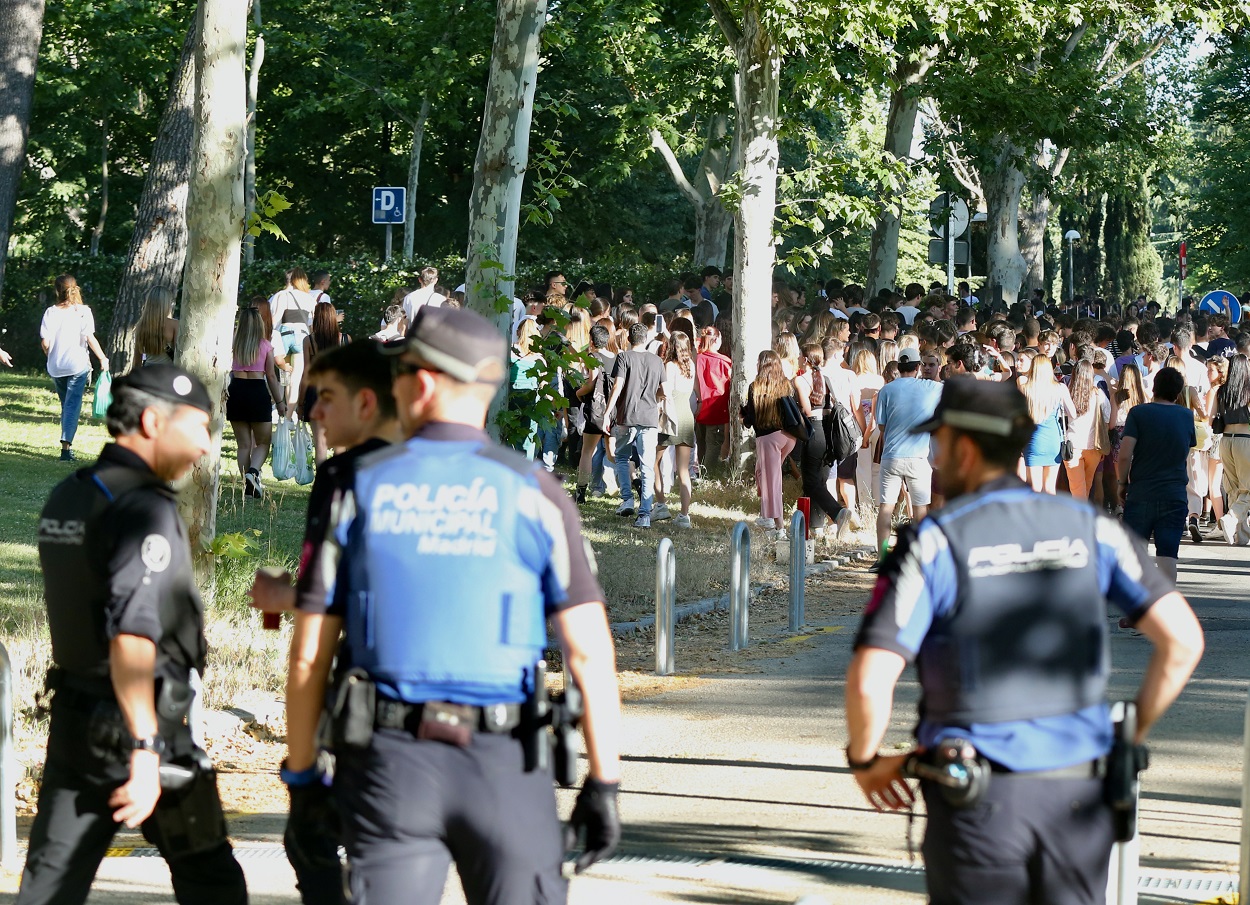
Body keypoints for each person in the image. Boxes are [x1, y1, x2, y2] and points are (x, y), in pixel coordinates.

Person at [281, 306, 622, 905]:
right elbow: (589, 653)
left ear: (426, 381)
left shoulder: (353, 488)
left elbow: (310, 653)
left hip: (390, 765)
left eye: (401, 371)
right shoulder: (538, 493)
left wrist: (304, 778)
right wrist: (605, 780)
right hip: (507, 767)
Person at [844, 377, 1204, 905]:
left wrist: (866, 760)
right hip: (1079, 800)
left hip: (975, 803)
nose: (935, 457)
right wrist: (1127, 736)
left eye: (938, 442)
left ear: (964, 448)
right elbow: (1183, 641)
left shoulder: (932, 542)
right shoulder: (1091, 527)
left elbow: (871, 677)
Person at [18, 364, 248, 905]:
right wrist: (145, 747)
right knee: (211, 882)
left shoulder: (71, 495)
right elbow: (132, 637)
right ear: (151, 421)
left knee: (49, 888)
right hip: (144, 731)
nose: (203, 448)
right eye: (198, 428)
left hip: (76, 727)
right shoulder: (143, 506)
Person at [247, 341, 401, 905]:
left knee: (312, 842)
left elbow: (318, 627)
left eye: (324, 398)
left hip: (371, 712)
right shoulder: (481, 473)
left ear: (367, 401)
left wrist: (302, 770)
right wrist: (293, 593)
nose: (312, 411)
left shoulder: (342, 478)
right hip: (487, 737)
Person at [1118, 367, 1196, 584]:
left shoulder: (1138, 413)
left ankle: (1136, 612)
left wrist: (1121, 483)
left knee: (1135, 555)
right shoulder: (1186, 416)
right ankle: (1166, 609)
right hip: (1174, 493)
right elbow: (1185, 452)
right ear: (1178, 392)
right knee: (1168, 556)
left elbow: (1124, 455)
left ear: (1154, 387)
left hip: (1142, 491)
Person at [871, 348, 942, 554]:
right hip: (918, 457)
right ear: (918, 366)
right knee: (920, 508)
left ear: (899, 366)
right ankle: (919, 553)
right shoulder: (930, 387)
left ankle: (883, 555)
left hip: (891, 455)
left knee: (886, 507)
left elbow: (881, 426)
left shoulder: (886, 390)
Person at [40, 274, 110, 461]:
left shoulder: (50, 312)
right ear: (76, 288)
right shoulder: (83, 311)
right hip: (77, 364)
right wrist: (102, 358)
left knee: (67, 404)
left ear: (57, 290)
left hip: (56, 366)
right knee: (72, 405)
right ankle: (65, 448)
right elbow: (89, 337)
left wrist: (51, 356)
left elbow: (45, 342)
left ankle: (66, 443)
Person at [604, 322, 665, 528]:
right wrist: (653, 398)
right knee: (647, 465)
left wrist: (606, 413)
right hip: (649, 419)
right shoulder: (657, 361)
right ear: (646, 339)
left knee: (621, 457)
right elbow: (664, 391)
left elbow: (618, 386)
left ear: (629, 339)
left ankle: (627, 498)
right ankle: (645, 513)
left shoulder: (624, 357)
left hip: (626, 417)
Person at [794, 342, 852, 540]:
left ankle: (837, 512)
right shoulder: (825, 378)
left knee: (810, 480)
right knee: (821, 480)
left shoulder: (801, 380)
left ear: (806, 359)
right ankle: (815, 525)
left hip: (814, 431)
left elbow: (807, 411)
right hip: (830, 433)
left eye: (801, 356)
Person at [227, 305, 286, 498]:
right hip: (257, 391)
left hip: (236, 391)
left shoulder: (234, 344)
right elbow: (270, 375)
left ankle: (247, 485)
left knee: (243, 445)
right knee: (263, 442)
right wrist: (279, 401)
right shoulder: (265, 345)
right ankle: (253, 473)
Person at [741, 350, 797, 539]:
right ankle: (767, 513)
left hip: (768, 438)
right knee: (762, 473)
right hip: (788, 437)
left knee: (772, 481)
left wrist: (743, 416)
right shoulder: (786, 385)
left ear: (761, 364)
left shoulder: (755, 387)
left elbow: (751, 419)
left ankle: (778, 525)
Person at [299, 302, 350, 466]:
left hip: (316, 392)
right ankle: (337, 481)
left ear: (317, 318)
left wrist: (300, 403)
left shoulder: (309, 341)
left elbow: (306, 374)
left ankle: (321, 483)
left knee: (320, 443)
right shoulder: (345, 339)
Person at [658, 330, 699, 528]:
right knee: (683, 469)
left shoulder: (670, 366)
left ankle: (660, 503)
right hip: (687, 415)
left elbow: (666, 392)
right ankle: (684, 514)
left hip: (671, 415)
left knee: (654, 460)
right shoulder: (691, 365)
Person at [1020, 354, 1077, 494]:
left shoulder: (1024, 389)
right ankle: (1049, 515)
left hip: (1033, 440)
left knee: (1034, 488)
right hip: (1053, 438)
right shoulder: (1060, 388)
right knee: (1050, 487)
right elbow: (1073, 414)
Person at [1213, 354, 1250, 545]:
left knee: (1235, 488)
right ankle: (1231, 518)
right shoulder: (1248, 391)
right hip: (1245, 440)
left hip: (1226, 441)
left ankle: (1240, 536)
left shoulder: (1222, 391)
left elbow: (1212, 415)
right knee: (1248, 489)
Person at [1063, 359, 1111, 500]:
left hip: (1073, 445)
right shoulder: (1098, 395)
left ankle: (1079, 519)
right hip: (1093, 446)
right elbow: (1107, 420)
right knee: (1087, 486)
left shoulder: (1068, 393)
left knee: (1077, 489)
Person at [694, 325, 732, 474]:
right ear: (716, 340)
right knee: (713, 444)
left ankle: (701, 472)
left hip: (699, 407)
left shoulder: (696, 358)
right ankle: (708, 475)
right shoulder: (724, 362)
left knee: (700, 444)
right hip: (717, 409)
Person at [135, 286, 179, 368]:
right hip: (167, 373)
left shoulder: (141, 325)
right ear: (167, 304)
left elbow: (137, 361)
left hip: (148, 373)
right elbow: (179, 356)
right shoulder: (174, 324)